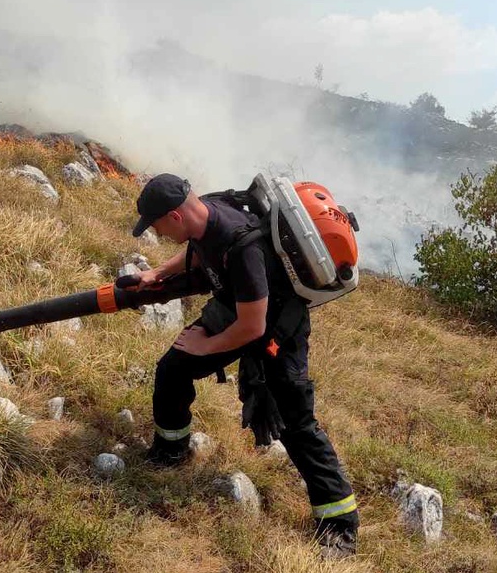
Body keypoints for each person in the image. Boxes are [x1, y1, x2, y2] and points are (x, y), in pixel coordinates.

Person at [129, 173, 359, 558]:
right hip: (237, 307)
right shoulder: (206, 213)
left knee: (295, 422)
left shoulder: (242, 246)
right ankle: (171, 451)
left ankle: (340, 525)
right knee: (172, 370)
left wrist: (207, 346)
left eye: (157, 224)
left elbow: (252, 327)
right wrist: (159, 273)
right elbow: (197, 251)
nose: (157, 231)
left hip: (277, 328)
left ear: (176, 216)